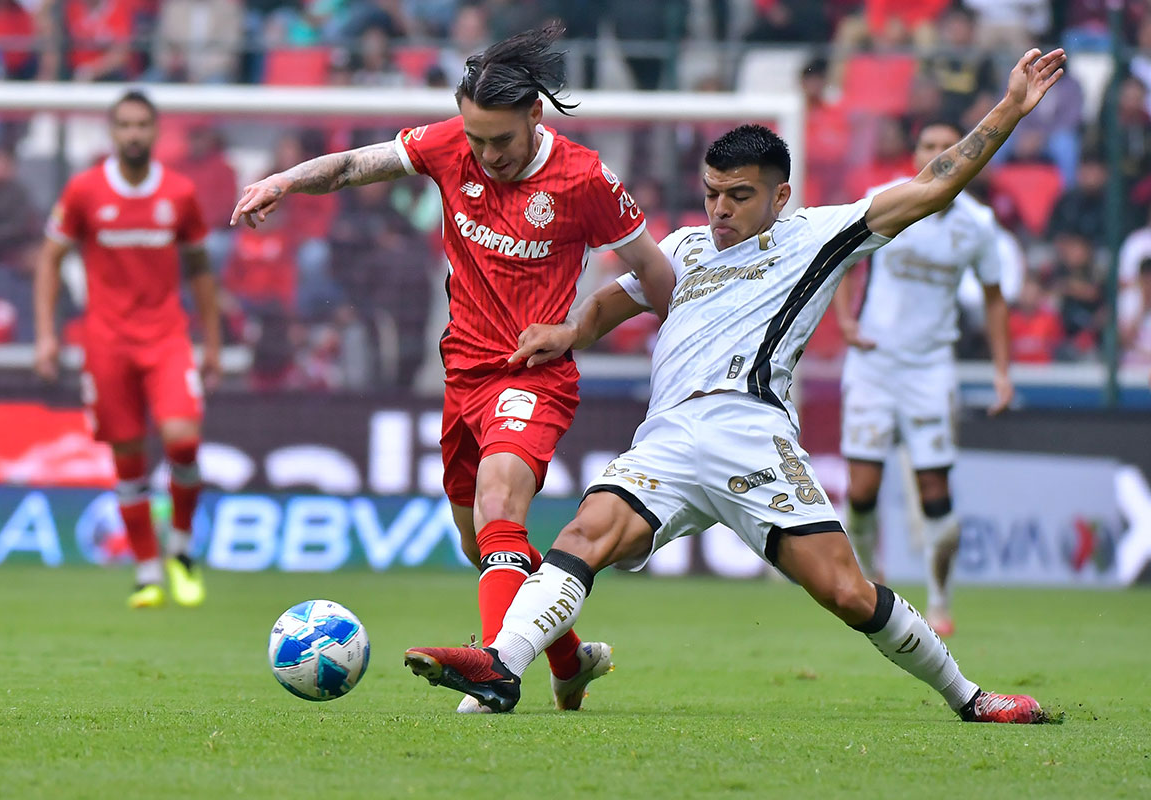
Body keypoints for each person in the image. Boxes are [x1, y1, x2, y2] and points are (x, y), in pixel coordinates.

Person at [402, 48, 1066, 724]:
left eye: (740, 196)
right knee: (584, 534)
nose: (720, 209)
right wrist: (570, 331)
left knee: (846, 592)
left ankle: (971, 697)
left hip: (749, 434)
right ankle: (502, 666)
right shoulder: (687, 247)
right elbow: (611, 301)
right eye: (712, 192)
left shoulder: (820, 235)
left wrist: (1010, 106)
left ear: (780, 195)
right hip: (667, 439)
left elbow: (932, 186)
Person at [231, 23, 677, 713]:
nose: (487, 155)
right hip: (463, 374)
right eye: (476, 140)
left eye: (501, 140)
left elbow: (656, 275)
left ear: (535, 114)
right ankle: (569, 659)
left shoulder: (584, 178)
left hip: (534, 373)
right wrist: (285, 180)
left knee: (503, 504)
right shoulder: (447, 145)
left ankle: (495, 672)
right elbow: (353, 167)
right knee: (485, 544)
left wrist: (577, 330)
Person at [34, 90, 218, 610]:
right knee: (129, 459)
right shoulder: (84, 191)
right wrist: (47, 336)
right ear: (112, 132)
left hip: (166, 338)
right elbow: (49, 259)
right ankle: (146, 573)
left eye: (142, 125)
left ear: (155, 131)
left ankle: (180, 551)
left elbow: (200, 270)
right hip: (107, 342)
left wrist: (213, 343)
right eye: (125, 125)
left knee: (182, 441)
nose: (134, 134)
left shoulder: (178, 193)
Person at [833, 120, 1014, 636]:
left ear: (964, 153)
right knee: (861, 489)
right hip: (873, 365)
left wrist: (1003, 372)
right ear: (916, 155)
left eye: (946, 146)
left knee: (934, 486)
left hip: (932, 367)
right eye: (929, 146)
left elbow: (996, 297)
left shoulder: (978, 224)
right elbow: (841, 259)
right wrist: (846, 322)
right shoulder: (888, 201)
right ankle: (869, 584)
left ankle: (940, 597)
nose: (938, 153)